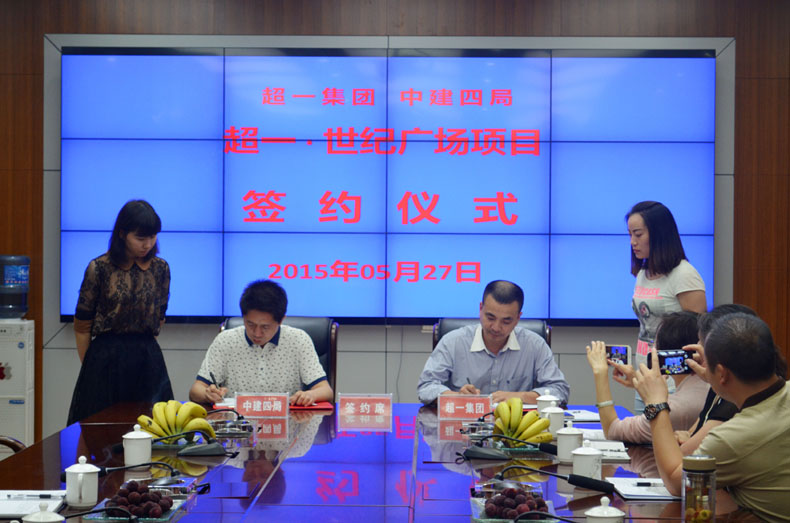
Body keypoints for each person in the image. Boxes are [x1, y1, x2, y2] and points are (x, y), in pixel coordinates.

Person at [633, 313, 790, 520]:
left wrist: (656, 404)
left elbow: (675, 481)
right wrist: (716, 377)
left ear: (723, 373)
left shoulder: (734, 437)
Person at [67, 200, 173, 425]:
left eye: (152, 237)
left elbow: (159, 318)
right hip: (105, 359)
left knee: (153, 428)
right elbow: (82, 326)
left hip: (147, 359)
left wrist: (142, 349)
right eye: (140, 238)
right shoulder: (99, 268)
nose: (147, 244)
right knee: (101, 431)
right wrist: (90, 369)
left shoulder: (160, 268)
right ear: (122, 234)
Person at [417, 280, 569, 405]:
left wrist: (520, 396)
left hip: (517, 428)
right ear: (480, 309)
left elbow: (560, 390)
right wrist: (457, 396)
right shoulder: (453, 342)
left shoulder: (534, 345)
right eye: (490, 318)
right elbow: (426, 387)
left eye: (506, 321)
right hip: (463, 426)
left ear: (518, 318)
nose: (496, 327)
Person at [189, 279, 333, 406]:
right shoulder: (226, 340)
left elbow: (325, 390)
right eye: (250, 324)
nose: (257, 333)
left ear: (281, 320)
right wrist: (207, 394)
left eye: (265, 327)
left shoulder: (299, 340)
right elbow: (196, 390)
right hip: (237, 424)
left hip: (287, 423)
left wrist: (310, 395)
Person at [626, 201, 707, 413]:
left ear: (659, 234)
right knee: (642, 433)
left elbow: (698, 334)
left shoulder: (684, 275)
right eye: (630, 234)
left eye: (638, 234)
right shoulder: (643, 273)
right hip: (645, 376)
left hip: (674, 383)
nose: (633, 242)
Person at [586, 311, 709, 443]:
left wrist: (600, 372)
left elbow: (612, 430)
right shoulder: (710, 389)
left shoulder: (674, 408)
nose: (651, 348)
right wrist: (639, 383)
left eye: (653, 344)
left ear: (663, 353)